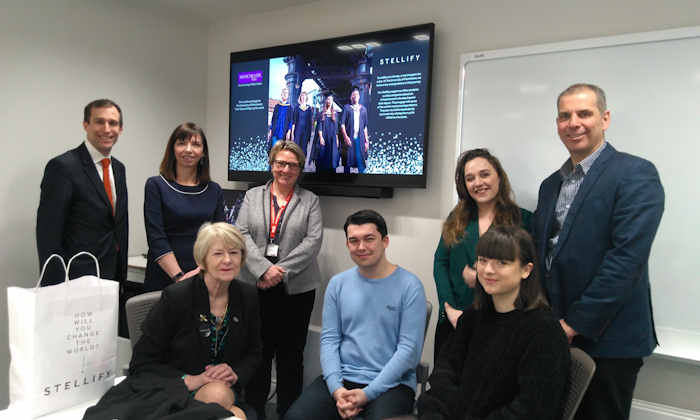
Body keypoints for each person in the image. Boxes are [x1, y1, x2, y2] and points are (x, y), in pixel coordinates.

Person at [532, 83, 665, 420]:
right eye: (564, 116)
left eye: (584, 113)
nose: (573, 123)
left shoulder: (635, 174)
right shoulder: (551, 185)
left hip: (609, 340)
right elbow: (545, 255)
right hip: (558, 334)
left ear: (604, 118)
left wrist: (573, 325)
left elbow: (625, 261)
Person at [84, 222, 262, 420]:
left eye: (234, 253)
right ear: (202, 260)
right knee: (232, 411)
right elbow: (142, 362)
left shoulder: (247, 296)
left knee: (222, 397)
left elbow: (254, 352)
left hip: (225, 387)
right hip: (175, 386)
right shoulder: (178, 297)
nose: (228, 260)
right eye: (218, 254)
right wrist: (192, 380)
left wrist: (235, 373)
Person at [285, 209, 427, 420]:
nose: (361, 247)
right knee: (295, 418)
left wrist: (367, 393)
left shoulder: (410, 286)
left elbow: (408, 351)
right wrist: (336, 389)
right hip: (342, 379)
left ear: (385, 241)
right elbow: (330, 340)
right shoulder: (338, 284)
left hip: (391, 383)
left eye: (369, 239)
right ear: (347, 245)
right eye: (354, 241)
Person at [418, 225, 570, 420]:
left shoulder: (543, 331)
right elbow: (444, 375)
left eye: (502, 262)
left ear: (526, 270)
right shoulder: (473, 317)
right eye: (482, 260)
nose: (488, 270)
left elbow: (532, 409)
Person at [236, 141, 323, 420]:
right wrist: (263, 269)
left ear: (300, 170)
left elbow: (313, 242)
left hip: (296, 289)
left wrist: (279, 271)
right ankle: (255, 412)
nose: (285, 169)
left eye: (292, 165)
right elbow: (242, 234)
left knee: (291, 356)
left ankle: (289, 412)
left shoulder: (310, 200)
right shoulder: (252, 196)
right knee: (257, 354)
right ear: (272, 164)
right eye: (280, 163)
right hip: (255, 286)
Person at [36, 98, 129, 333]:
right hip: (73, 282)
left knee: (102, 354)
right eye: (100, 122)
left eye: (113, 123)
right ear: (86, 125)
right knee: (70, 358)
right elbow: (48, 234)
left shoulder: (118, 168)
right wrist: (56, 291)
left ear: (120, 128)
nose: (107, 129)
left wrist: (121, 277)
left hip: (109, 280)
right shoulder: (63, 167)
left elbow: (117, 225)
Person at [433, 148, 531, 364]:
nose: (478, 183)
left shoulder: (523, 220)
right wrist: (448, 308)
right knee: (444, 388)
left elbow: (530, 272)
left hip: (501, 324)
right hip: (455, 319)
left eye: (484, 174)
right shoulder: (456, 218)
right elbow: (440, 263)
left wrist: (479, 277)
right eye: (470, 178)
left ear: (499, 176)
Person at [143, 122, 224, 292]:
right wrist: (179, 277)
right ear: (172, 149)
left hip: (203, 277)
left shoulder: (214, 190)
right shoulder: (156, 185)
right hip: (164, 278)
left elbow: (220, 238)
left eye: (195, 144)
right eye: (181, 143)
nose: (188, 149)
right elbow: (156, 238)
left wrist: (201, 272)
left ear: (203, 153)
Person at [340, 87, 369, 173]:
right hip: (349, 139)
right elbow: (342, 124)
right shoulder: (347, 108)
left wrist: (367, 141)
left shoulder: (363, 109)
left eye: (357, 94)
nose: (355, 96)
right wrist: (346, 137)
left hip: (360, 140)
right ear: (351, 97)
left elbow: (365, 127)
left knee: (361, 163)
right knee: (347, 162)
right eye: (353, 94)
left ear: (359, 96)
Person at [315, 94, 340, 171]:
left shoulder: (335, 114)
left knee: (331, 156)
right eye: (328, 99)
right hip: (323, 136)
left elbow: (336, 129)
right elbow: (319, 126)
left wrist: (337, 139)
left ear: (333, 102)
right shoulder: (321, 113)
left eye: (331, 100)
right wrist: (321, 137)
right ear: (326, 101)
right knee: (322, 155)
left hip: (332, 138)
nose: (329, 101)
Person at [268, 87, 292, 152]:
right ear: (281, 94)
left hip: (284, 131)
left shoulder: (289, 107)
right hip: (275, 130)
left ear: (288, 95)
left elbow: (290, 121)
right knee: (274, 148)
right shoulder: (277, 106)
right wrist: (270, 130)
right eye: (283, 93)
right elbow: (273, 119)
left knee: (281, 149)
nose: (285, 94)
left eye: (286, 93)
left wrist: (289, 131)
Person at [291, 91, 313, 159]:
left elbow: (310, 122)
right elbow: (294, 121)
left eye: (304, 96)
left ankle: (302, 163)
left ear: (306, 98)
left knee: (304, 147)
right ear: (300, 98)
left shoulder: (309, 109)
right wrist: (292, 133)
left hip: (306, 131)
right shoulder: (296, 108)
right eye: (302, 96)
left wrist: (310, 134)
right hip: (297, 131)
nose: (303, 97)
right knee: (296, 147)